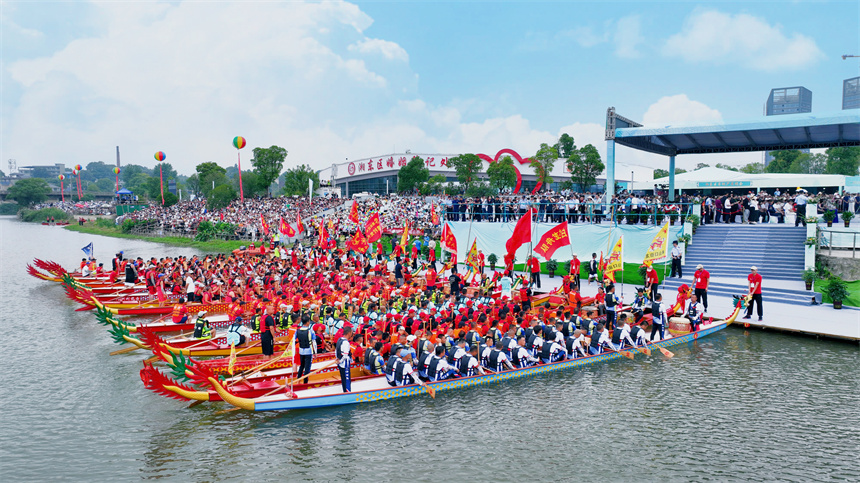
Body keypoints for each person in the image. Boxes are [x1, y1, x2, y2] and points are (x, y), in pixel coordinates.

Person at [295, 316, 316, 384]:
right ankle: (305, 382)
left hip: (301, 350)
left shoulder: (297, 330)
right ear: (308, 322)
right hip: (308, 351)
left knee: (302, 365)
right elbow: (314, 342)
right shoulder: (310, 331)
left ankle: (298, 379)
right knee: (307, 367)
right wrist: (315, 353)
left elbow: (294, 340)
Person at [335, 326, 353, 392]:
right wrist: (340, 361)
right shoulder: (346, 342)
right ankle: (347, 392)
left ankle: (344, 391)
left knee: (343, 379)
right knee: (347, 380)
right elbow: (345, 355)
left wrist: (337, 359)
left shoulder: (339, 339)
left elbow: (336, 351)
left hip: (340, 364)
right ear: (349, 333)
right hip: (344, 364)